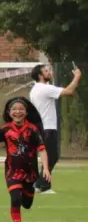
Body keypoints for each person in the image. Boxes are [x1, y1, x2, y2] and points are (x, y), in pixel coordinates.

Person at [28, 63, 81, 193]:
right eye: (46, 71)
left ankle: (40, 184)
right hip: (47, 128)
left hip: (44, 127)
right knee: (52, 156)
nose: (49, 72)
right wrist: (77, 77)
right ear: (40, 75)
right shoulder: (45, 88)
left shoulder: (36, 89)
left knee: (51, 156)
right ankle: (42, 185)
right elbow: (69, 91)